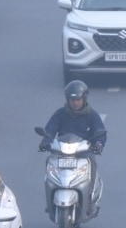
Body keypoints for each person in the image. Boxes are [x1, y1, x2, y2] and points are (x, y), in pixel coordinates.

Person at [40, 81, 107, 210]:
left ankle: (90, 195)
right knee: (49, 162)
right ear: (67, 99)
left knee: (91, 161)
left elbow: (100, 131)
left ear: (84, 99)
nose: (75, 103)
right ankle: (50, 199)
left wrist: (98, 144)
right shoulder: (60, 114)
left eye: (78, 100)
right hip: (62, 151)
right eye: (72, 100)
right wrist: (45, 142)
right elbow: (50, 129)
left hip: (83, 151)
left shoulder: (91, 115)